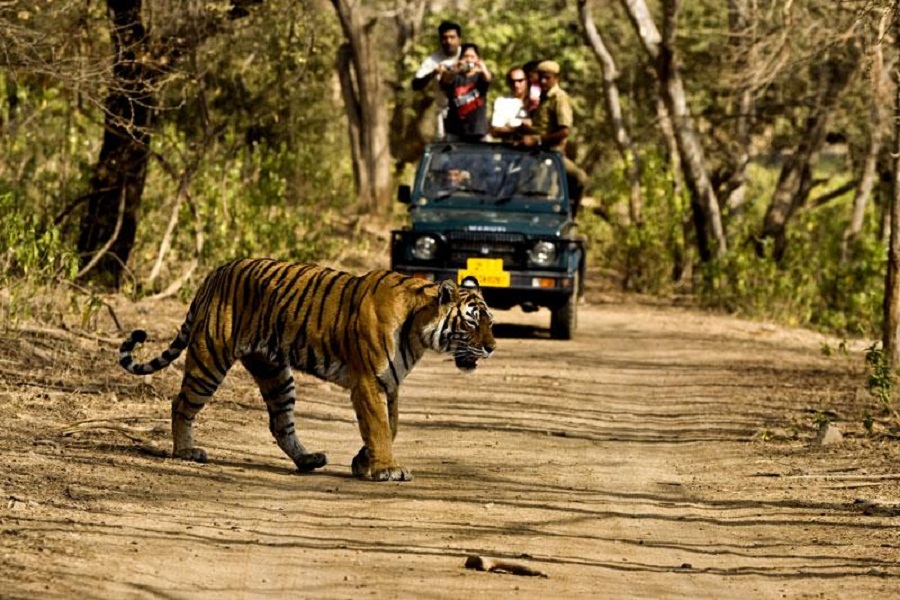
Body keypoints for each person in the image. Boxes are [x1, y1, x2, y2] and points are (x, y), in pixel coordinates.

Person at [520, 60, 589, 216]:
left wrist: (537, 140)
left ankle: (570, 215)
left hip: (551, 154)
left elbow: (564, 132)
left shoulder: (559, 98)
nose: (543, 81)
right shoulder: (541, 98)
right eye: (541, 78)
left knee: (578, 179)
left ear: (556, 78)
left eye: (547, 78)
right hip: (536, 153)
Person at [412, 21, 463, 141]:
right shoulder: (432, 60)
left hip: (468, 111)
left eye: (452, 37)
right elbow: (415, 85)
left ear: (459, 39)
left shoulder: (466, 55)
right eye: (445, 38)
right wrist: (433, 73)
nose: (448, 41)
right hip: (445, 113)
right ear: (440, 40)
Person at [439, 43, 492, 142]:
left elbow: (488, 79)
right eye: (465, 56)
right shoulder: (454, 76)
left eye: (472, 57)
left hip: (477, 130)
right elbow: (445, 81)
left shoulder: (480, 77)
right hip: (455, 131)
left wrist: (481, 67)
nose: (468, 60)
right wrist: (455, 69)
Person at [489, 67, 529, 142]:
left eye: (520, 81)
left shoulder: (536, 100)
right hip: (509, 149)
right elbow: (495, 130)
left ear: (527, 81)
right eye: (512, 81)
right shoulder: (502, 102)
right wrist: (516, 129)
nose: (516, 85)